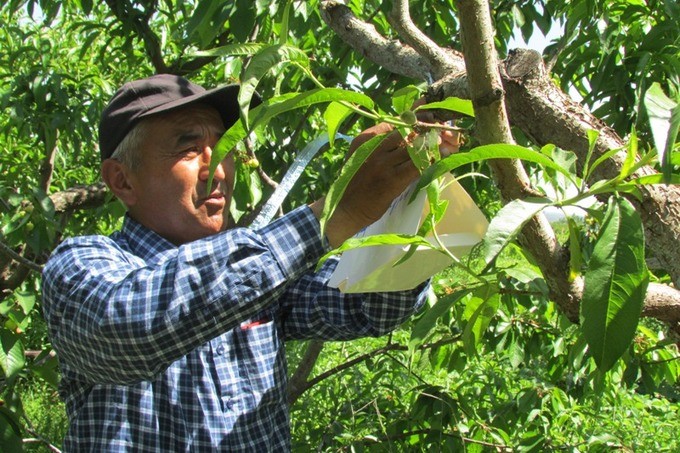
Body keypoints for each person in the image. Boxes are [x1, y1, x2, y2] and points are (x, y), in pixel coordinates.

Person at [41, 74, 459, 451]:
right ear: (122, 180)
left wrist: (413, 187)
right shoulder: (82, 266)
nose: (217, 170)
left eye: (222, 147)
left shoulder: (259, 271)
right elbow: (127, 328)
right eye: (188, 149)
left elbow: (367, 305)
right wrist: (337, 213)